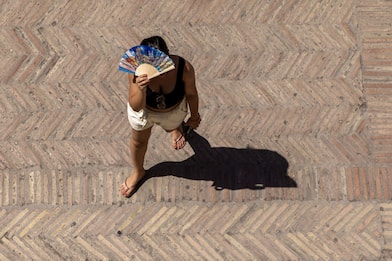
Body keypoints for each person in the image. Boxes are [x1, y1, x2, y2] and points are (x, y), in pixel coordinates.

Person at [120, 36, 201, 198]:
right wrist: (141, 88)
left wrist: (194, 116)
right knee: (138, 141)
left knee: (173, 124)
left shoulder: (184, 68)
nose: (159, 71)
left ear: (168, 55)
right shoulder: (136, 70)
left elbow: (191, 93)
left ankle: (176, 128)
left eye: (161, 62)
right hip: (145, 112)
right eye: (153, 65)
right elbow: (136, 107)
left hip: (172, 111)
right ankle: (138, 171)